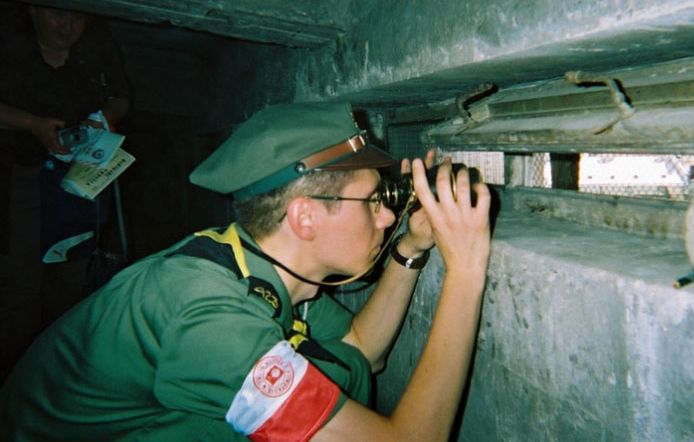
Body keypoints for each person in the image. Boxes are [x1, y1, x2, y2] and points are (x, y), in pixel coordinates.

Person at [0, 101, 491, 440]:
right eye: (372, 201)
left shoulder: (252, 259)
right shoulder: (210, 319)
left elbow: (363, 350)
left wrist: (411, 246)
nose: (385, 216)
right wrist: (466, 267)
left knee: (338, 368)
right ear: (304, 217)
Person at [0, 4, 132, 328]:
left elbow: (120, 95)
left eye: (77, 17)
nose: (67, 26)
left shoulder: (96, 45)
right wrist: (32, 124)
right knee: (20, 280)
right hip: (19, 175)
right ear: (33, 9)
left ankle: (60, 345)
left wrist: (105, 118)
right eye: (58, 14)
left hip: (81, 178)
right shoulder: (9, 41)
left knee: (72, 276)